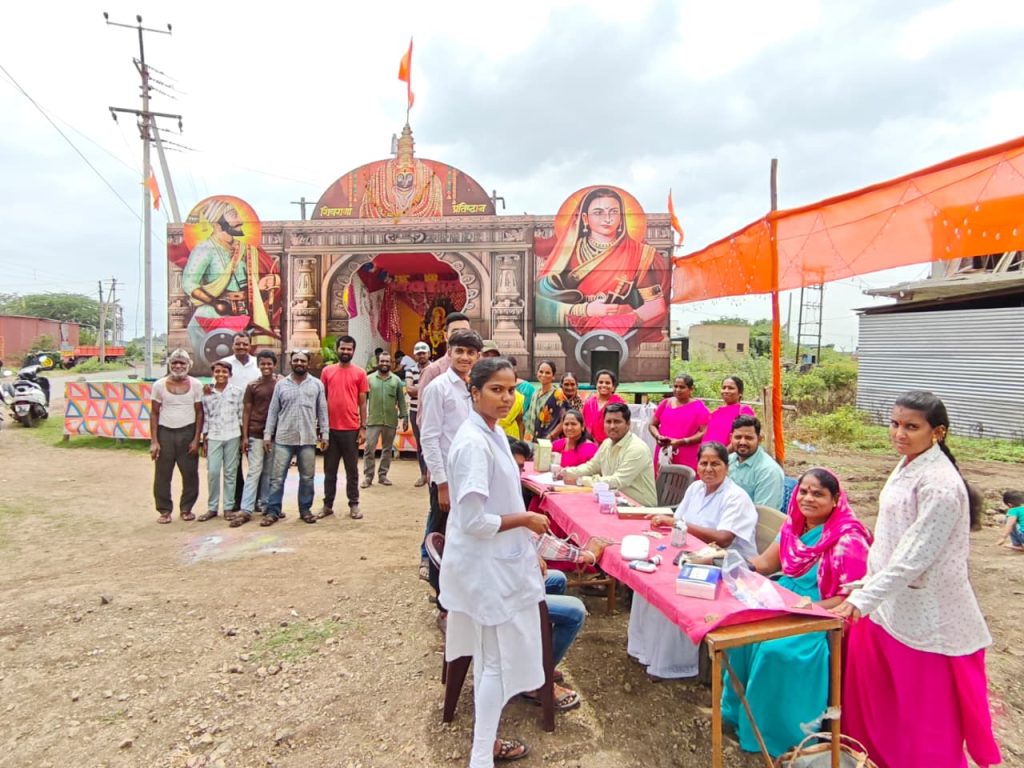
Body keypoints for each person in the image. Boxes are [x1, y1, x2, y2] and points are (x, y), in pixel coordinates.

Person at [832, 391, 1001, 768]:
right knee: (880, 702)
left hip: (927, 616)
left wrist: (864, 598)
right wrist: (868, 583)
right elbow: (891, 536)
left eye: (911, 426)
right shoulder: (908, 463)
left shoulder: (941, 484)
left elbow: (915, 556)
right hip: (890, 602)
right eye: (895, 424)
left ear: (937, 432)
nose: (899, 434)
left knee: (921, 717)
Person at [438, 356, 552, 766]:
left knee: (496, 662)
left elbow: (501, 498)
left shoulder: (496, 433)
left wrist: (527, 545)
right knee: (493, 664)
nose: (505, 398)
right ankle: (481, 754)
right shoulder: (473, 443)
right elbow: (472, 520)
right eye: (495, 390)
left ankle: (483, 748)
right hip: (484, 568)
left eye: (511, 390)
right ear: (474, 392)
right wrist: (525, 520)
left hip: (498, 561)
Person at [721, 469, 872, 757]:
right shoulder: (793, 526)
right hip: (781, 599)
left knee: (777, 652)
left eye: (818, 494)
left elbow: (850, 597)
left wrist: (806, 608)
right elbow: (766, 564)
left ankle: (780, 737)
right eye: (803, 491)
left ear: (835, 499)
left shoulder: (848, 539)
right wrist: (733, 567)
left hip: (821, 611)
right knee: (738, 638)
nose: (808, 498)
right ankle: (739, 718)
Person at [631, 442, 758, 679]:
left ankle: (672, 663)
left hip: (726, 563)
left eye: (715, 464)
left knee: (669, 586)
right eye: (704, 463)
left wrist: (680, 525)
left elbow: (724, 539)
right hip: (692, 553)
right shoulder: (696, 488)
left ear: (727, 467)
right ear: (697, 465)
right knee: (648, 577)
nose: (709, 469)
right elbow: (679, 521)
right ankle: (644, 650)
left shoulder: (735, 497)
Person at [536, 186, 668, 341]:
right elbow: (541, 301)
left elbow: (656, 305)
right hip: (571, 334)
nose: (607, 218)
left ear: (621, 217)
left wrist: (626, 318)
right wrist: (585, 310)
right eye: (598, 213)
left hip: (618, 337)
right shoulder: (567, 253)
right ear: (585, 218)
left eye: (613, 212)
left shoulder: (640, 254)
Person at [420, 330, 484, 625]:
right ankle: (443, 603)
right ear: (449, 352)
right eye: (460, 351)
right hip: (447, 480)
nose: (465, 357)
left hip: (470, 476)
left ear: (478, 356)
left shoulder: (475, 388)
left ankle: (462, 598)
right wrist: (441, 483)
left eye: (471, 353)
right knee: (442, 538)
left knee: (464, 538)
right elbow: (429, 438)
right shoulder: (438, 388)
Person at [181, 201, 278, 357]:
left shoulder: (246, 249)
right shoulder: (205, 248)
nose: (240, 220)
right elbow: (188, 283)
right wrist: (215, 303)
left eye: (237, 215)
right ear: (217, 225)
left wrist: (263, 284)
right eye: (233, 215)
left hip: (246, 312)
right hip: (215, 312)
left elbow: (256, 279)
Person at [263, 351, 329, 525]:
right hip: (283, 438)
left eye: (302, 360)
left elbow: (322, 411)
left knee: (307, 478)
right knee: (277, 478)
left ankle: (305, 510)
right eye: (296, 360)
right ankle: (273, 511)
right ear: (291, 363)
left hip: (307, 439)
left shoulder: (317, 385)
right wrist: (267, 435)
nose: (299, 363)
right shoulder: (281, 385)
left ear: (308, 363)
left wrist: (325, 434)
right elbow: (273, 411)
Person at [561, 403, 657, 507]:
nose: (612, 426)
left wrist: (581, 480)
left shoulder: (637, 448)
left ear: (628, 424)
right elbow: (591, 467)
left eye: (617, 422)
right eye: (608, 422)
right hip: (614, 502)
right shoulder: (607, 443)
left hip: (640, 509)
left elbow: (618, 481)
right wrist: (566, 472)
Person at [149, 349, 204, 524]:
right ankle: (164, 510)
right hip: (165, 432)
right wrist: (154, 441)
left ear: (189, 365)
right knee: (162, 474)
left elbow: (200, 413)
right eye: (175, 363)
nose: (178, 366)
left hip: (188, 432)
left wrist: (196, 439)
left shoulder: (196, 385)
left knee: (190, 473)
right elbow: (154, 413)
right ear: (169, 364)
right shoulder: (159, 385)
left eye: (182, 363)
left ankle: (186, 509)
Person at [320, 336, 369, 520]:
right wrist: (322, 428)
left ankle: (354, 504)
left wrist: (363, 428)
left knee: (352, 471)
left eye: (349, 349)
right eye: (343, 348)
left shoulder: (360, 373)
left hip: (351, 430)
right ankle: (327, 505)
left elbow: (362, 403)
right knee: (329, 471)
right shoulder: (327, 371)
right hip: (330, 430)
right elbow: (322, 400)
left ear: (353, 351)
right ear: (337, 349)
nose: (346, 352)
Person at [219, 331, 261, 514]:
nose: (241, 347)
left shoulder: (257, 364)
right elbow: (218, 384)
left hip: (254, 419)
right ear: (232, 345)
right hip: (231, 419)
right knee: (233, 463)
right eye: (238, 344)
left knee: (256, 462)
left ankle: (256, 499)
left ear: (250, 345)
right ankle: (237, 499)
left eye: (245, 344)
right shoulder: (225, 364)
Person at [237, 350, 281, 527]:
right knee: (254, 471)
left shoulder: (280, 384)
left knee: (269, 472)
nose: (266, 367)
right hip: (256, 433)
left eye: (269, 363)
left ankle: (265, 504)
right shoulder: (252, 386)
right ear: (258, 365)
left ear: (274, 365)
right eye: (263, 364)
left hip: (275, 434)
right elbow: (246, 411)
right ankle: (246, 508)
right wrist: (245, 436)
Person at [198, 360, 244, 522]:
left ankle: (228, 508)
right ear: (213, 373)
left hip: (233, 435)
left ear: (230, 374)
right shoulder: (207, 393)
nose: (221, 375)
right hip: (214, 436)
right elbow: (206, 417)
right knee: (213, 472)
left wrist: (243, 438)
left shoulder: (237, 392)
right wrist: (204, 439)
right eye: (217, 372)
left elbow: (241, 415)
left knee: (231, 473)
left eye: (224, 372)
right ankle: (212, 508)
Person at [362, 352, 408, 488]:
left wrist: (404, 417)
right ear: (378, 362)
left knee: (387, 449)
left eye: (387, 361)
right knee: (369, 449)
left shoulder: (396, 381)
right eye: (382, 361)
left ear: (391, 363)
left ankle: (383, 475)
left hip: (390, 420)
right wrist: (361, 419)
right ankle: (368, 477)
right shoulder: (369, 379)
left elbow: (401, 401)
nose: (384, 364)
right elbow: (363, 401)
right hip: (373, 420)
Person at [649, 374, 710, 473]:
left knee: (684, 479)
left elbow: (704, 432)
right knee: (663, 479)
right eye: (675, 386)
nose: (677, 390)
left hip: (687, 455)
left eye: (682, 387)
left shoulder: (699, 408)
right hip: (664, 452)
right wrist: (657, 436)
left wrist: (683, 441)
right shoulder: (665, 403)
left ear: (691, 389)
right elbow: (652, 424)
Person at [415, 311, 472, 415]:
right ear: (446, 335)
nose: (460, 336)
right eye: (455, 332)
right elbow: (423, 415)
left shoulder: (476, 369)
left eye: (465, 332)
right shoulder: (432, 372)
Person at [728, 415, 784, 509]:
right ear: (731, 438)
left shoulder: (768, 471)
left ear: (759, 439)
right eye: (738, 437)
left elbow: (764, 514)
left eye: (749, 438)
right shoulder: (728, 460)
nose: (742, 442)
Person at [405, 341, 432, 488]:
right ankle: (423, 474)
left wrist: (418, 389)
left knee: (432, 442)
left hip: (432, 411)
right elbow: (409, 390)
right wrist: (427, 388)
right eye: (419, 354)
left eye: (423, 353)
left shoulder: (434, 368)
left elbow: (437, 389)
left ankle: (432, 474)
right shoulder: (411, 370)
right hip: (415, 412)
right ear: (415, 355)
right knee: (420, 444)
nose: (421, 356)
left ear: (429, 354)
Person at [704, 376, 756, 447]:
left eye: (731, 388)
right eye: (724, 388)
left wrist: (724, 452)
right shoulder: (716, 413)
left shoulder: (744, 410)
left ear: (740, 393)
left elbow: (744, 438)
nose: (726, 391)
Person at [523, 360, 567, 441]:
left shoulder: (558, 394)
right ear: (537, 374)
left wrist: (551, 435)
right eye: (541, 372)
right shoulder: (535, 393)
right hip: (530, 439)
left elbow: (565, 419)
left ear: (553, 376)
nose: (543, 375)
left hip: (547, 441)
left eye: (547, 373)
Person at [581, 369, 626, 445]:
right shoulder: (589, 403)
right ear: (596, 385)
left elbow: (623, 428)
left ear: (613, 387)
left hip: (612, 444)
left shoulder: (619, 404)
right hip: (590, 445)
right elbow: (584, 426)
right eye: (600, 382)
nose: (604, 385)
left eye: (607, 383)